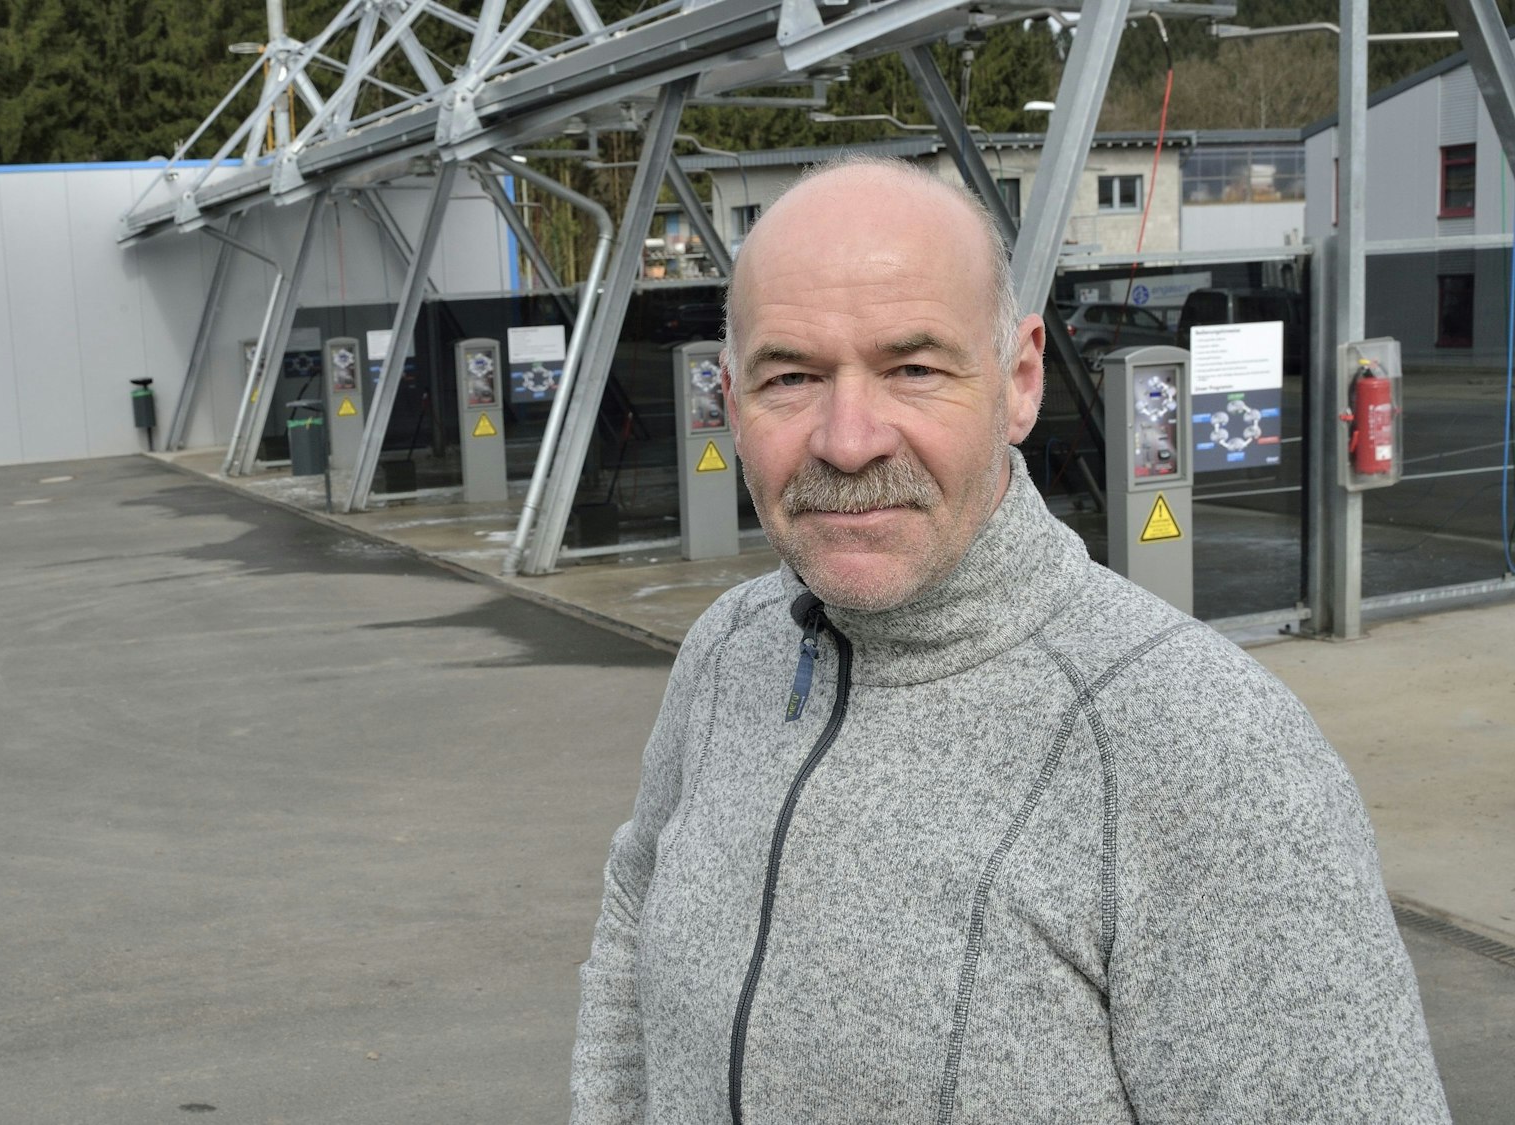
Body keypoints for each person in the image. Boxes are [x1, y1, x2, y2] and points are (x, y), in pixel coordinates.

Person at [568, 157, 1448, 1124]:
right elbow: (629, 926)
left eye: (913, 368)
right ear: (732, 402)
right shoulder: (727, 651)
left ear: (1020, 380)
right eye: (792, 376)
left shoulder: (1207, 747)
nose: (849, 438)